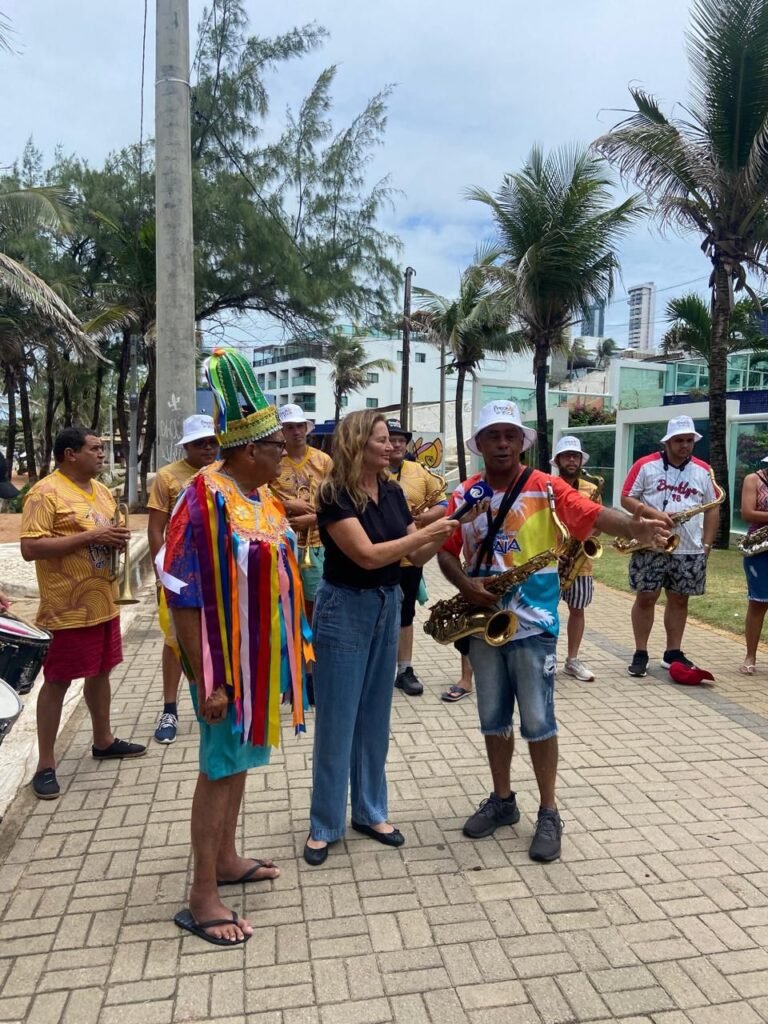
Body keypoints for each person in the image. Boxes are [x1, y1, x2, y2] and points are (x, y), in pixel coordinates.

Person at [436, 401, 669, 862]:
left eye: (510, 435)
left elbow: (594, 513)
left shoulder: (546, 487)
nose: (502, 443)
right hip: (483, 622)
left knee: (539, 721)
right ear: (479, 444)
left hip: (534, 621)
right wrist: (466, 583)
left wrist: (636, 526)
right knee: (492, 718)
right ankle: (502, 800)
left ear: (521, 443)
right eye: (493, 435)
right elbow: (444, 549)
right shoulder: (463, 493)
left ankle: (548, 811)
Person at [160, 348, 310, 947]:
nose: (285, 453)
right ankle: (201, 896)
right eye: (277, 446)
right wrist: (209, 677)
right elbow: (183, 593)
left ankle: (225, 858)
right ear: (252, 450)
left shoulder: (262, 499)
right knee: (218, 769)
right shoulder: (204, 496)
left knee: (242, 761)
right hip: (222, 666)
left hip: (260, 659)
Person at [304, 411, 458, 866]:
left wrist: (451, 529)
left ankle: (370, 812)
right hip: (344, 608)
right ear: (357, 444)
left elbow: (412, 553)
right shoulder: (333, 494)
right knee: (338, 720)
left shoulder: (390, 490)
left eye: (392, 440)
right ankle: (325, 823)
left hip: (387, 604)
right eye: (383, 439)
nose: (393, 446)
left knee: (375, 717)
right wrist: (427, 531)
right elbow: (367, 556)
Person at [20, 426, 146, 800]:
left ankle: (103, 739)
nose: (102, 454)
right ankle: (45, 763)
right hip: (66, 608)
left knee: (103, 671)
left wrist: (115, 538)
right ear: (70, 454)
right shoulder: (44, 493)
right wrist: (92, 538)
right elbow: (30, 547)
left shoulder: (103, 491)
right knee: (58, 681)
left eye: (102, 448)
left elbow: (105, 531)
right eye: (95, 448)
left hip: (104, 601)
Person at [622, 415, 720, 678]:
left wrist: (707, 545)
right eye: (679, 440)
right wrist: (652, 514)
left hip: (688, 547)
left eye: (689, 440)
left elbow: (712, 509)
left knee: (679, 600)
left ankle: (672, 652)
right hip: (650, 544)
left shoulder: (703, 470)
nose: (685, 445)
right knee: (646, 597)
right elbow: (626, 497)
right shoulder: (645, 465)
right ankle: (640, 652)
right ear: (667, 441)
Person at [147, 414, 218, 744]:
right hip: (180, 575)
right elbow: (155, 528)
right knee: (175, 641)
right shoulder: (168, 477)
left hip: (218, 571)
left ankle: (217, 695)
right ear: (186, 445)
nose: (207, 447)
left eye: (212, 441)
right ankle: (169, 708)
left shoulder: (224, 473)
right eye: (199, 442)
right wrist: (163, 575)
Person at [386, 419, 448, 697]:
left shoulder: (420, 471)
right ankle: (376, 668)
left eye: (401, 439)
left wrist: (424, 517)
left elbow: (444, 503)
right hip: (377, 556)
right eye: (390, 438)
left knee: (405, 614)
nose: (396, 444)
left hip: (409, 558)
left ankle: (404, 669)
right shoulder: (369, 471)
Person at [270, 403, 333, 623]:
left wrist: (315, 518)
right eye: (289, 427)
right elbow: (260, 496)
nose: (296, 432)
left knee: (316, 603)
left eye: (299, 426)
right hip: (281, 542)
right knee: (284, 603)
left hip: (317, 544)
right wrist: (288, 505)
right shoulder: (273, 460)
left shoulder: (323, 460)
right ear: (281, 431)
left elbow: (336, 501)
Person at [551, 436, 601, 682]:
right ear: (558, 459)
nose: (572, 459)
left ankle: (572, 660)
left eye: (576, 455)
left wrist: (583, 542)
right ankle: (547, 658)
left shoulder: (591, 489)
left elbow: (599, 523)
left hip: (581, 561)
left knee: (577, 610)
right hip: (551, 559)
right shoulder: (547, 486)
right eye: (567, 455)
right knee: (546, 611)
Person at [740, 455, 768, 674]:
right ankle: (750, 656)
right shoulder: (753, 479)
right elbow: (747, 512)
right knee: (758, 603)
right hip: (760, 548)